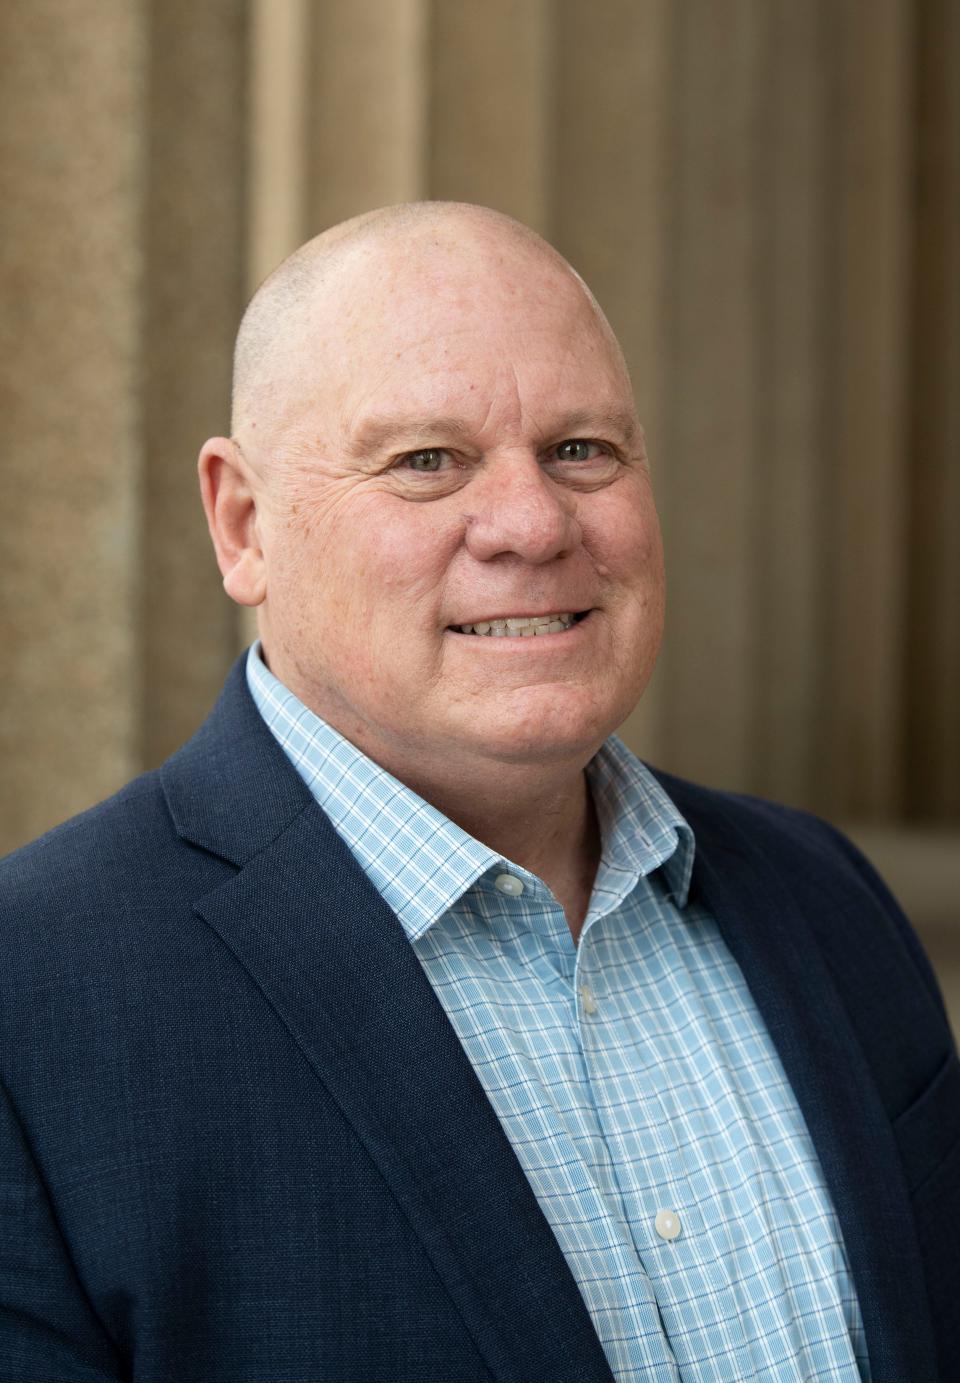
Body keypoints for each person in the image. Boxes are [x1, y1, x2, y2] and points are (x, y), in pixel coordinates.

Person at [0, 203, 956, 1383]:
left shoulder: (822, 897)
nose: (531, 523)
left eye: (582, 451)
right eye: (426, 462)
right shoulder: (32, 1001)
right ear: (244, 525)